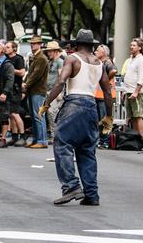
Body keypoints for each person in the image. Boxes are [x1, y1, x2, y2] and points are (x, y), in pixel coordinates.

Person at [40, 29, 113, 207]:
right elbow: (107, 92)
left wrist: (47, 103)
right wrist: (109, 116)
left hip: (74, 104)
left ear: (77, 44)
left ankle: (71, 186)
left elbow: (60, 82)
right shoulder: (99, 64)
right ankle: (91, 194)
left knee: (62, 143)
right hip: (91, 106)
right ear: (92, 45)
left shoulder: (72, 59)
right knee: (87, 150)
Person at [23, 36, 50, 149]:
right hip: (34, 90)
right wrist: (26, 83)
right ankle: (36, 139)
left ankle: (42, 141)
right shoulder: (35, 57)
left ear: (40, 44)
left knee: (39, 116)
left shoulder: (41, 58)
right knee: (35, 116)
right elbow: (30, 73)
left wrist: (25, 84)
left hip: (38, 91)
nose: (32, 45)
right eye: (31, 43)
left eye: (35, 43)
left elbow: (36, 75)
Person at [123, 38, 143, 137]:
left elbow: (141, 78)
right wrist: (125, 91)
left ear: (140, 48)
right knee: (132, 117)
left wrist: (136, 92)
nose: (131, 47)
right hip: (128, 91)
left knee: (138, 116)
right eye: (131, 45)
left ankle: (141, 139)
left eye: (134, 45)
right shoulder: (130, 59)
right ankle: (135, 138)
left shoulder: (141, 60)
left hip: (136, 93)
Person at [3, 40, 28, 146]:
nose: (6, 49)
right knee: (11, 114)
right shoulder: (6, 59)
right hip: (8, 89)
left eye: (8, 47)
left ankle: (22, 136)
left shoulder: (18, 58)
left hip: (16, 89)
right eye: (5, 47)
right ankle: (14, 136)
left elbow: (22, 72)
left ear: (14, 48)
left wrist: (11, 70)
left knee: (15, 113)